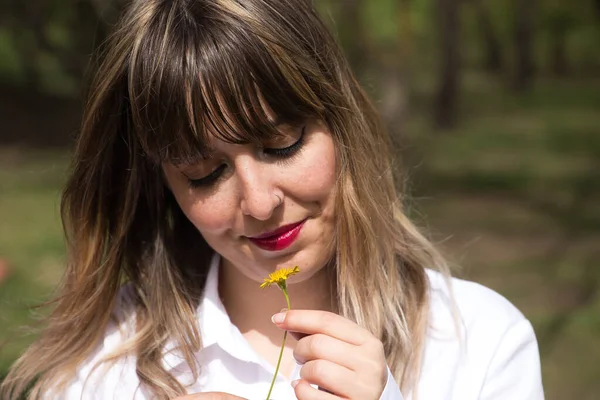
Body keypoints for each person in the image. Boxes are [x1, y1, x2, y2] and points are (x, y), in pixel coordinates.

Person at [1, 0, 544, 399]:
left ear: (342, 123)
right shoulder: (103, 363)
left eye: (282, 145)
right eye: (206, 173)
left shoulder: (480, 343)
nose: (258, 204)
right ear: (163, 185)